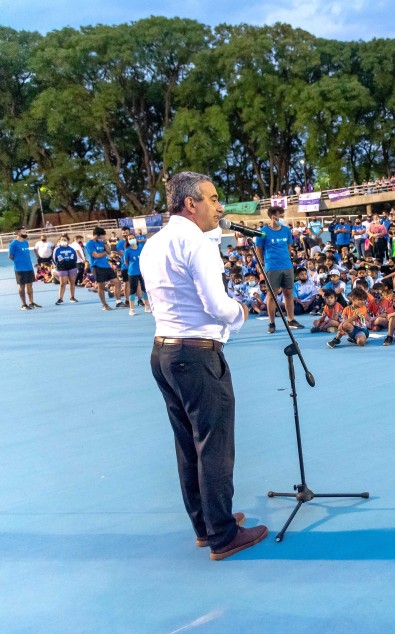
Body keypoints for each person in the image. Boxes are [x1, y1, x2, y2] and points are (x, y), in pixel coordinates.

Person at [140, 171, 267, 560]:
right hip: (196, 354)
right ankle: (223, 535)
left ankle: (206, 523)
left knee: (187, 445)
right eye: (212, 199)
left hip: (164, 352)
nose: (219, 206)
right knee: (214, 446)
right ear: (190, 204)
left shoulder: (153, 244)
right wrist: (241, 311)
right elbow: (216, 304)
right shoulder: (197, 243)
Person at [258, 206, 303, 333]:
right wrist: (264, 263)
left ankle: (291, 320)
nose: (283, 218)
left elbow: (289, 247)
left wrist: (286, 259)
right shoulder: (263, 231)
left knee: (288, 294)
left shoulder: (287, 230)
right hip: (272, 267)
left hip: (287, 266)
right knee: (272, 296)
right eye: (281, 216)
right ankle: (271, 323)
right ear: (273, 217)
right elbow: (259, 249)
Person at [87, 226, 121, 311]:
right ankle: (104, 305)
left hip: (106, 265)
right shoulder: (90, 244)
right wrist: (104, 253)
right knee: (101, 286)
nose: (104, 237)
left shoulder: (101, 242)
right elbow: (96, 255)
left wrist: (105, 243)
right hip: (97, 266)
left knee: (117, 282)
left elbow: (109, 252)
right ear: (98, 235)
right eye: (103, 235)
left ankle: (118, 302)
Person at [8, 229, 39, 310]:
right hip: (20, 269)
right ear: (18, 233)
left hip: (29, 267)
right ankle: (24, 305)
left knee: (30, 285)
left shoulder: (25, 242)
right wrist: (19, 262)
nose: (25, 233)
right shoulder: (14, 243)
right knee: (22, 286)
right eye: (23, 231)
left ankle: (31, 303)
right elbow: (10, 256)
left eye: (26, 231)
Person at [123, 233, 150, 316]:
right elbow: (126, 261)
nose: (132, 240)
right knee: (133, 290)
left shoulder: (141, 247)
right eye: (129, 239)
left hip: (142, 271)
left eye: (133, 238)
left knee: (144, 288)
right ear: (127, 241)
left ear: (136, 238)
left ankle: (147, 306)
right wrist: (132, 266)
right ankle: (131, 309)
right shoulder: (127, 250)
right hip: (132, 272)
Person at [52, 234, 79, 304]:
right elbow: (54, 260)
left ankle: (72, 297)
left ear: (68, 241)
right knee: (62, 284)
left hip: (72, 267)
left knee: (72, 283)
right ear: (59, 241)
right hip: (62, 268)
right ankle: (60, 299)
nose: (63, 241)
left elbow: (75, 258)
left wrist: (72, 264)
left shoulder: (72, 249)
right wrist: (59, 266)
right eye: (62, 240)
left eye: (65, 240)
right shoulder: (57, 249)